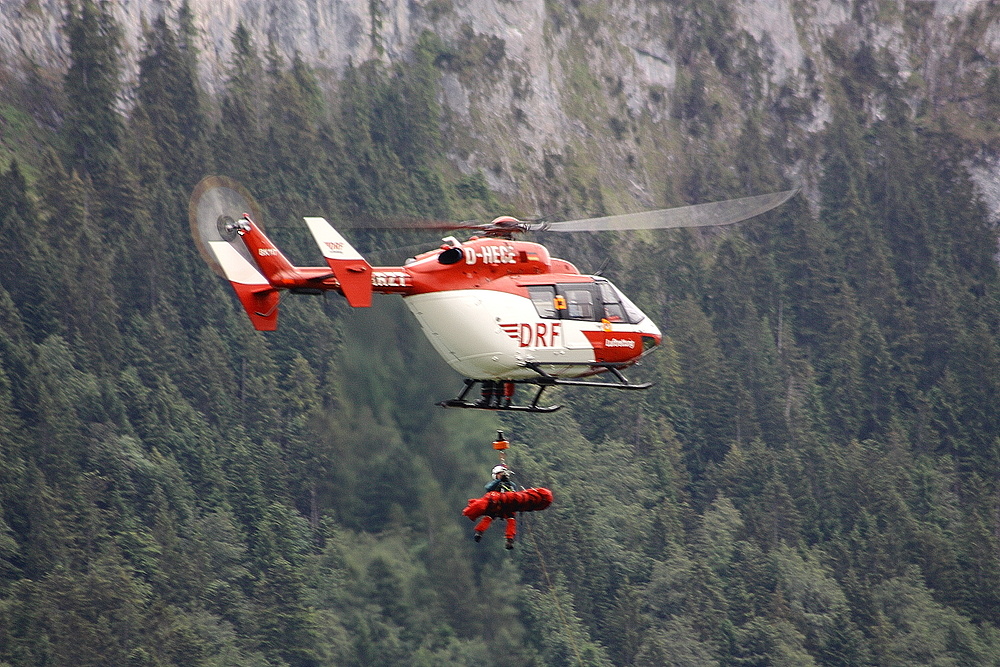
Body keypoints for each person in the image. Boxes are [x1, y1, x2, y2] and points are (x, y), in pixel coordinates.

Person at [474, 464, 518, 548]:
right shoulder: (495, 484)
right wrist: (499, 481)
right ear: (496, 475)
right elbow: (488, 488)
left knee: (511, 519)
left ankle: (509, 540)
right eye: (500, 473)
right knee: (488, 517)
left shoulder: (511, 484)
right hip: (496, 505)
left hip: (507, 505)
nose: (501, 475)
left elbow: (516, 494)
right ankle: (479, 532)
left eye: (502, 473)